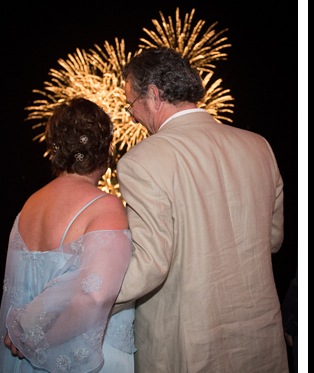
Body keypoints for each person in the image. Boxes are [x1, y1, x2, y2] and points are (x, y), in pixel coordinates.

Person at [113, 47, 288, 372]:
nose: (132, 116)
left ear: (153, 95)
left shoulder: (141, 160)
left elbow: (149, 266)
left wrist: (81, 302)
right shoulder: (259, 146)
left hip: (186, 347)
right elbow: (273, 240)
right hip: (260, 340)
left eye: (131, 105)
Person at [0, 98, 136, 372]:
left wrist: (25, 335)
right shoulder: (105, 206)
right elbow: (94, 296)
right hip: (78, 359)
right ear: (104, 150)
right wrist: (31, 337)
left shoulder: (29, 205)